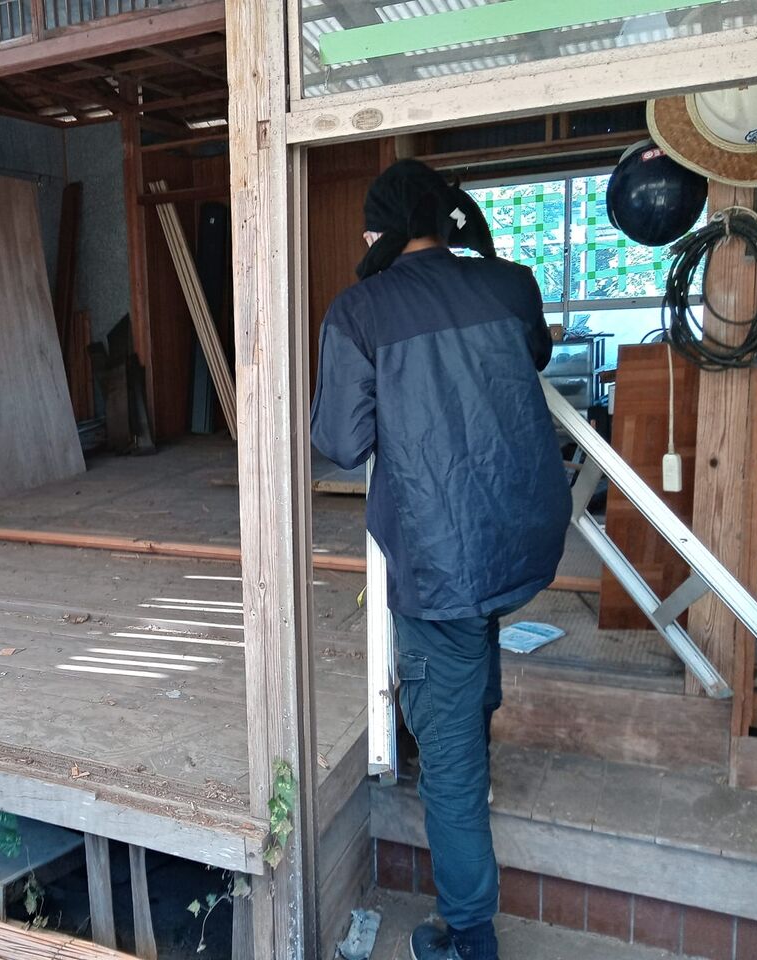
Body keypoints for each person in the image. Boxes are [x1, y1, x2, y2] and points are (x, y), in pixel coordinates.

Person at [310, 159, 571, 960]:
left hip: (439, 558)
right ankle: (474, 735)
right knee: (475, 647)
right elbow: (534, 358)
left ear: (379, 232)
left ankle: (468, 935)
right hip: (520, 537)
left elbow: (340, 440)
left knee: (449, 762)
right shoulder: (511, 284)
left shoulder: (360, 310)